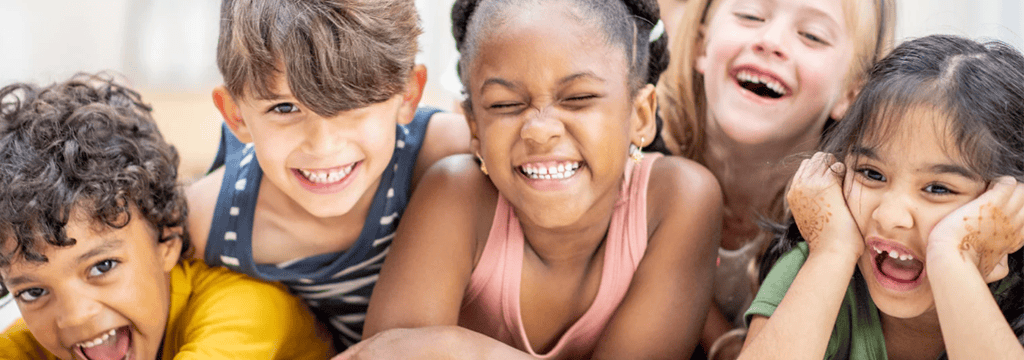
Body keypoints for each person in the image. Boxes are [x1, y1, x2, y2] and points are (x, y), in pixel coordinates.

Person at [339, 0, 722, 359]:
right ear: (474, 127)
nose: (539, 131)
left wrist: (462, 348)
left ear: (640, 115)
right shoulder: (456, 194)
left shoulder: (681, 200)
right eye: (505, 105)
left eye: (578, 98)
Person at [185, 0, 471, 349]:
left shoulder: (447, 154)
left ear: (408, 94)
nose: (322, 146)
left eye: (352, 102)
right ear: (237, 115)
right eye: (285, 107)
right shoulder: (211, 222)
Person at [0, 76, 332, 360]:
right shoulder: (27, 343)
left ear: (167, 239)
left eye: (102, 267)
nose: (74, 318)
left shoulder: (245, 309)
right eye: (32, 292)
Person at [742, 34, 1024, 359]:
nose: (889, 217)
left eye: (938, 189)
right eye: (872, 174)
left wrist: (953, 262)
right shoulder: (819, 265)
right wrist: (832, 252)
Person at [656, 0, 895, 356]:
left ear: (851, 93)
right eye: (750, 15)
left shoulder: (851, 218)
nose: (771, 41)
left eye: (812, 36)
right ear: (699, 46)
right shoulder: (637, 155)